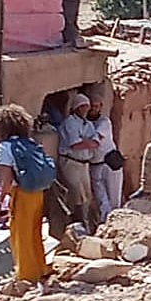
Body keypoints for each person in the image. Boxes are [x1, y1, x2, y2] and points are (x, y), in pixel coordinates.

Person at [0, 103, 51, 283]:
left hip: (21, 192)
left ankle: (26, 275)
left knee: (20, 233)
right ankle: (41, 268)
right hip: (38, 192)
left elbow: (7, 178)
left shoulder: (5, 147)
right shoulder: (29, 143)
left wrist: (0, 201)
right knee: (35, 230)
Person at [57, 92, 99, 230]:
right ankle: (75, 226)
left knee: (87, 195)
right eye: (83, 106)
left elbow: (96, 142)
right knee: (75, 194)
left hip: (84, 163)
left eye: (87, 106)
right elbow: (75, 144)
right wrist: (87, 142)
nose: (86, 109)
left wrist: (85, 142)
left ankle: (87, 224)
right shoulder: (70, 122)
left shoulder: (88, 124)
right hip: (71, 162)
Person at [87, 96, 124, 221]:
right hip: (95, 165)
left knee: (114, 198)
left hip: (110, 162)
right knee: (101, 199)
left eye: (96, 106)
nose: (93, 109)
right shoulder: (85, 124)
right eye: (91, 106)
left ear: (100, 107)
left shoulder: (104, 122)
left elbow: (96, 141)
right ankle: (105, 223)